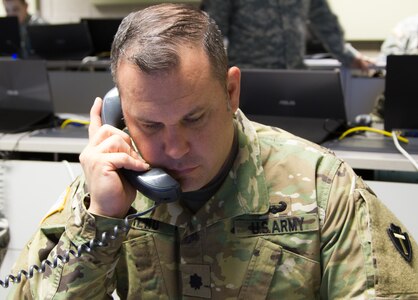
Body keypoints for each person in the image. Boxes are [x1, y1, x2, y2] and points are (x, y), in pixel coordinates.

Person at [7, 4, 418, 298]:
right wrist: (100, 219)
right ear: (120, 115)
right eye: (149, 124)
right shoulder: (110, 185)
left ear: (231, 91)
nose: (174, 147)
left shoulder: (324, 188)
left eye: (194, 118)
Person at [200, 0, 372, 70]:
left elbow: (323, 18)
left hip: (294, 76)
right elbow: (213, 27)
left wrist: (348, 56)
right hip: (250, 78)